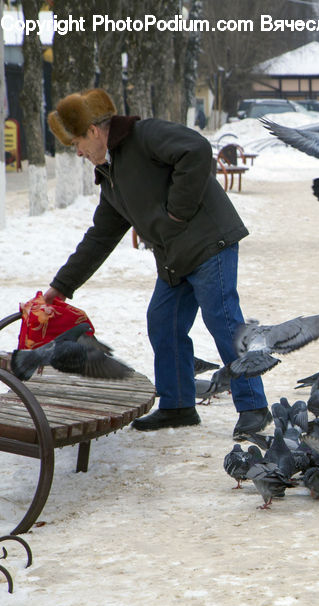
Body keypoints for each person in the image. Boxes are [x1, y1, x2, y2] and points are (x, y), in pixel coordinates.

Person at [45, 88, 270, 439]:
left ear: (92, 130)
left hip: (211, 243)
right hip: (175, 260)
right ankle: (178, 404)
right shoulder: (111, 177)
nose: (78, 152)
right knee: (162, 321)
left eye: (77, 142)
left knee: (223, 320)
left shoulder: (143, 136)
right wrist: (61, 287)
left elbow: (195, 149)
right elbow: (100, 237)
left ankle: (254, 406)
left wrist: (177, 211)